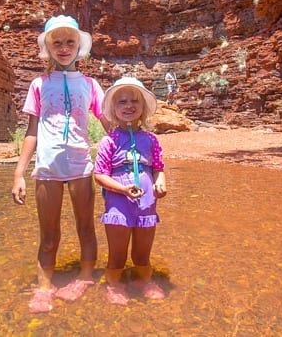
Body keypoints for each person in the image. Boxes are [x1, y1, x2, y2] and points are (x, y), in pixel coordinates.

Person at [11, 15, 108, 313]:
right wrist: (19, 173)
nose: (64, 48)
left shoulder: (90, 85)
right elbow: (31, 131)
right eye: (57, 42)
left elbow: (107, 123)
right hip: (48, 169)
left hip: (81, 167)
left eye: (70, 42)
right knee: (49, 234)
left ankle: (85, 278)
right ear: (48, 47)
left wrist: (131, 153)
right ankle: (43, 287)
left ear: (79, 46)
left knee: (85, 228)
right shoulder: (39, 84)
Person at [93, 77, 168, 305]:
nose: (128, 105)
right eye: (122, 102)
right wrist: (123, 189)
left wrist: (160, 183)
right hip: (119, 207)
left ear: (143, 107)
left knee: (142, 255)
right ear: (113, 110)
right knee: (117, 255)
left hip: (146, 208)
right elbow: (99, 175)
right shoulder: (109, 141)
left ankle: (144, 281)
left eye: (134, 101)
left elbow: (158, 168)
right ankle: (114, 286)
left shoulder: (151, 140)